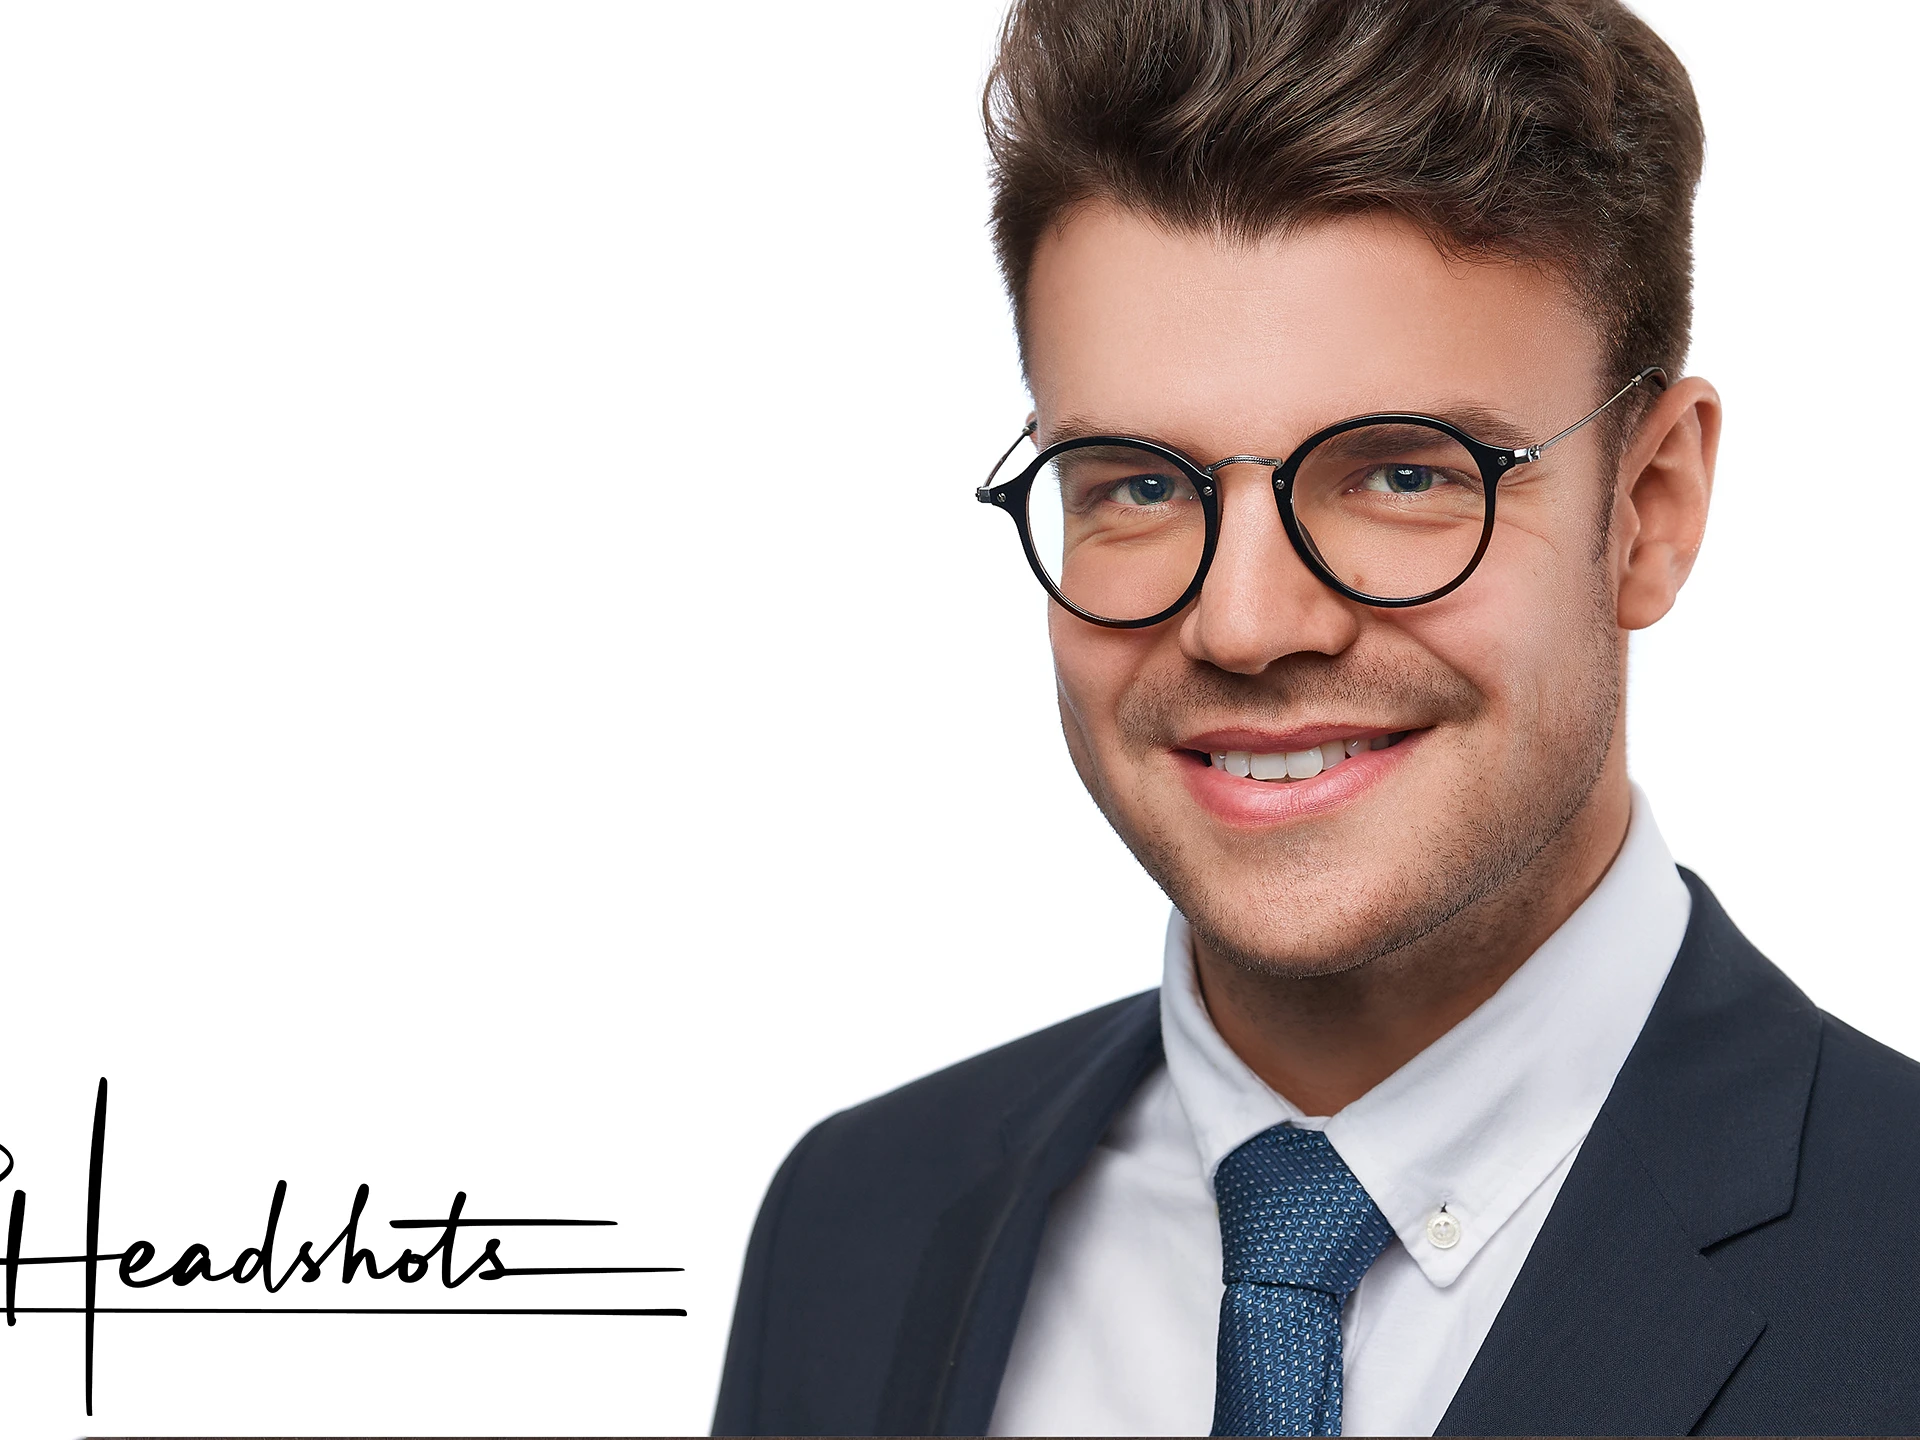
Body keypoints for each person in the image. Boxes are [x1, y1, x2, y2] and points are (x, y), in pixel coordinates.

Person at [711, 1, 1920, 1434]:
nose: (1246, 624)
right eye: (1138, 484)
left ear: (1649, 513)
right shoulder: (856, 1228)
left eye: (1404, 474)